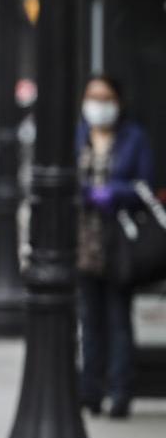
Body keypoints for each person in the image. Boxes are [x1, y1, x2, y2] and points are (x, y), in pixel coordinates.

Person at [75, 74, 155, 419]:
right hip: (84, 240)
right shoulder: (78, 135)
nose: (98, 105)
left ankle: (120, 392)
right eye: (93, 97)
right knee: (89, 319)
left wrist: (113, 194)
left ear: (118, 102)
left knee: (118, 317)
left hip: (120, 239)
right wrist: (83, 193)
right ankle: (90, 390)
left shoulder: (133, 137)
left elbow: (145, 185)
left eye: (105, 98)